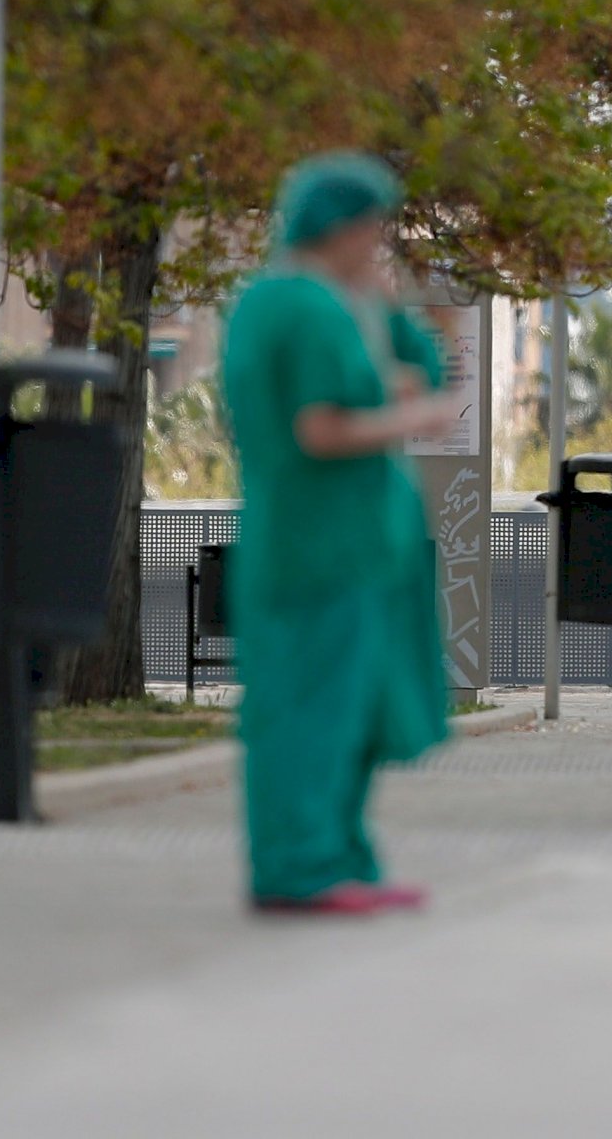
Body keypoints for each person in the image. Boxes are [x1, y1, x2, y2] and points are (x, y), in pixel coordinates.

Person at [222, 153, 459, 915]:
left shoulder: (322, 302)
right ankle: (301, 865)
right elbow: (320, 428)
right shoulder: (301, 308)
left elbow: (413, 367)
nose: (379, 243)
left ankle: (341, 858)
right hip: (321, 544)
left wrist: (390, 315)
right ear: (343, 225)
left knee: (353, 705)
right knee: (312, 708)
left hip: (349, 544)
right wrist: (411, 418)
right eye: (372, 228)